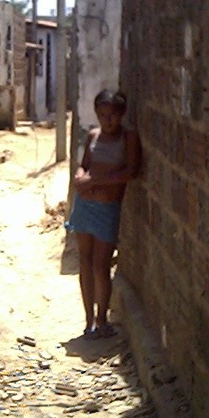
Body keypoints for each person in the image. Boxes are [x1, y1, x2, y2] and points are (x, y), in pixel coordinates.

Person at [66, 89, 141, 340]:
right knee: (85, 262)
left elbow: (130, 172)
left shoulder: (128, 138)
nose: (107, 120)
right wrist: (80, 176)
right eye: (102, 115)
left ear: (122, 114)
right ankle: (89, 320)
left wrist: (96, 180)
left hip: (107, 209)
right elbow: (84, 164)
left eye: (112, 115)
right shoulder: (93, 136)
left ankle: (102, 319)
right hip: (85, 206)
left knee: (101, 265)